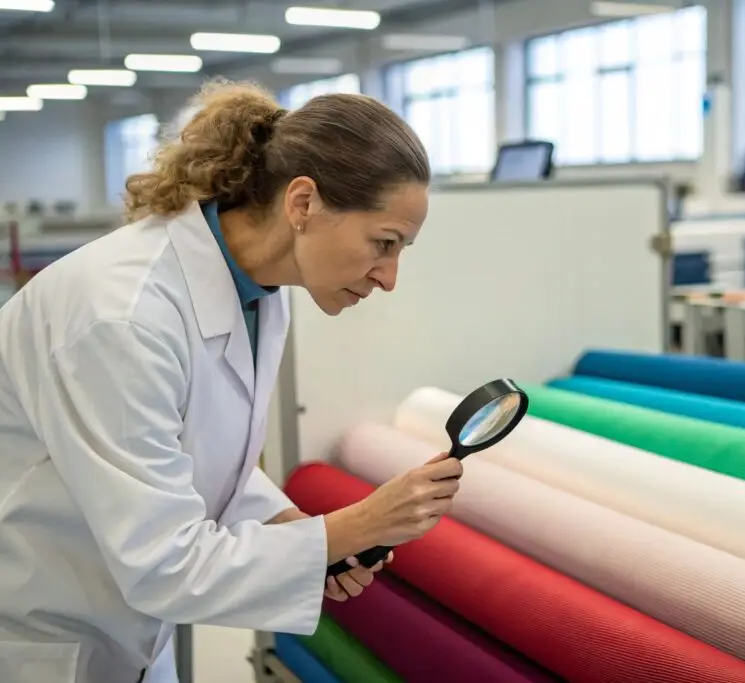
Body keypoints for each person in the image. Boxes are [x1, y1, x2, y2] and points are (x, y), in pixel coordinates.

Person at [0, 80, 464, 683]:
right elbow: (164, 564)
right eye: (384, 243)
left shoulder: (261, 292)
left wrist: (296, 531)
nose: (389, 276)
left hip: (122, 632)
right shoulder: (123, 316)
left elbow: (194, 461)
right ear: (303, 204)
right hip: (38, 637)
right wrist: (355, 525)